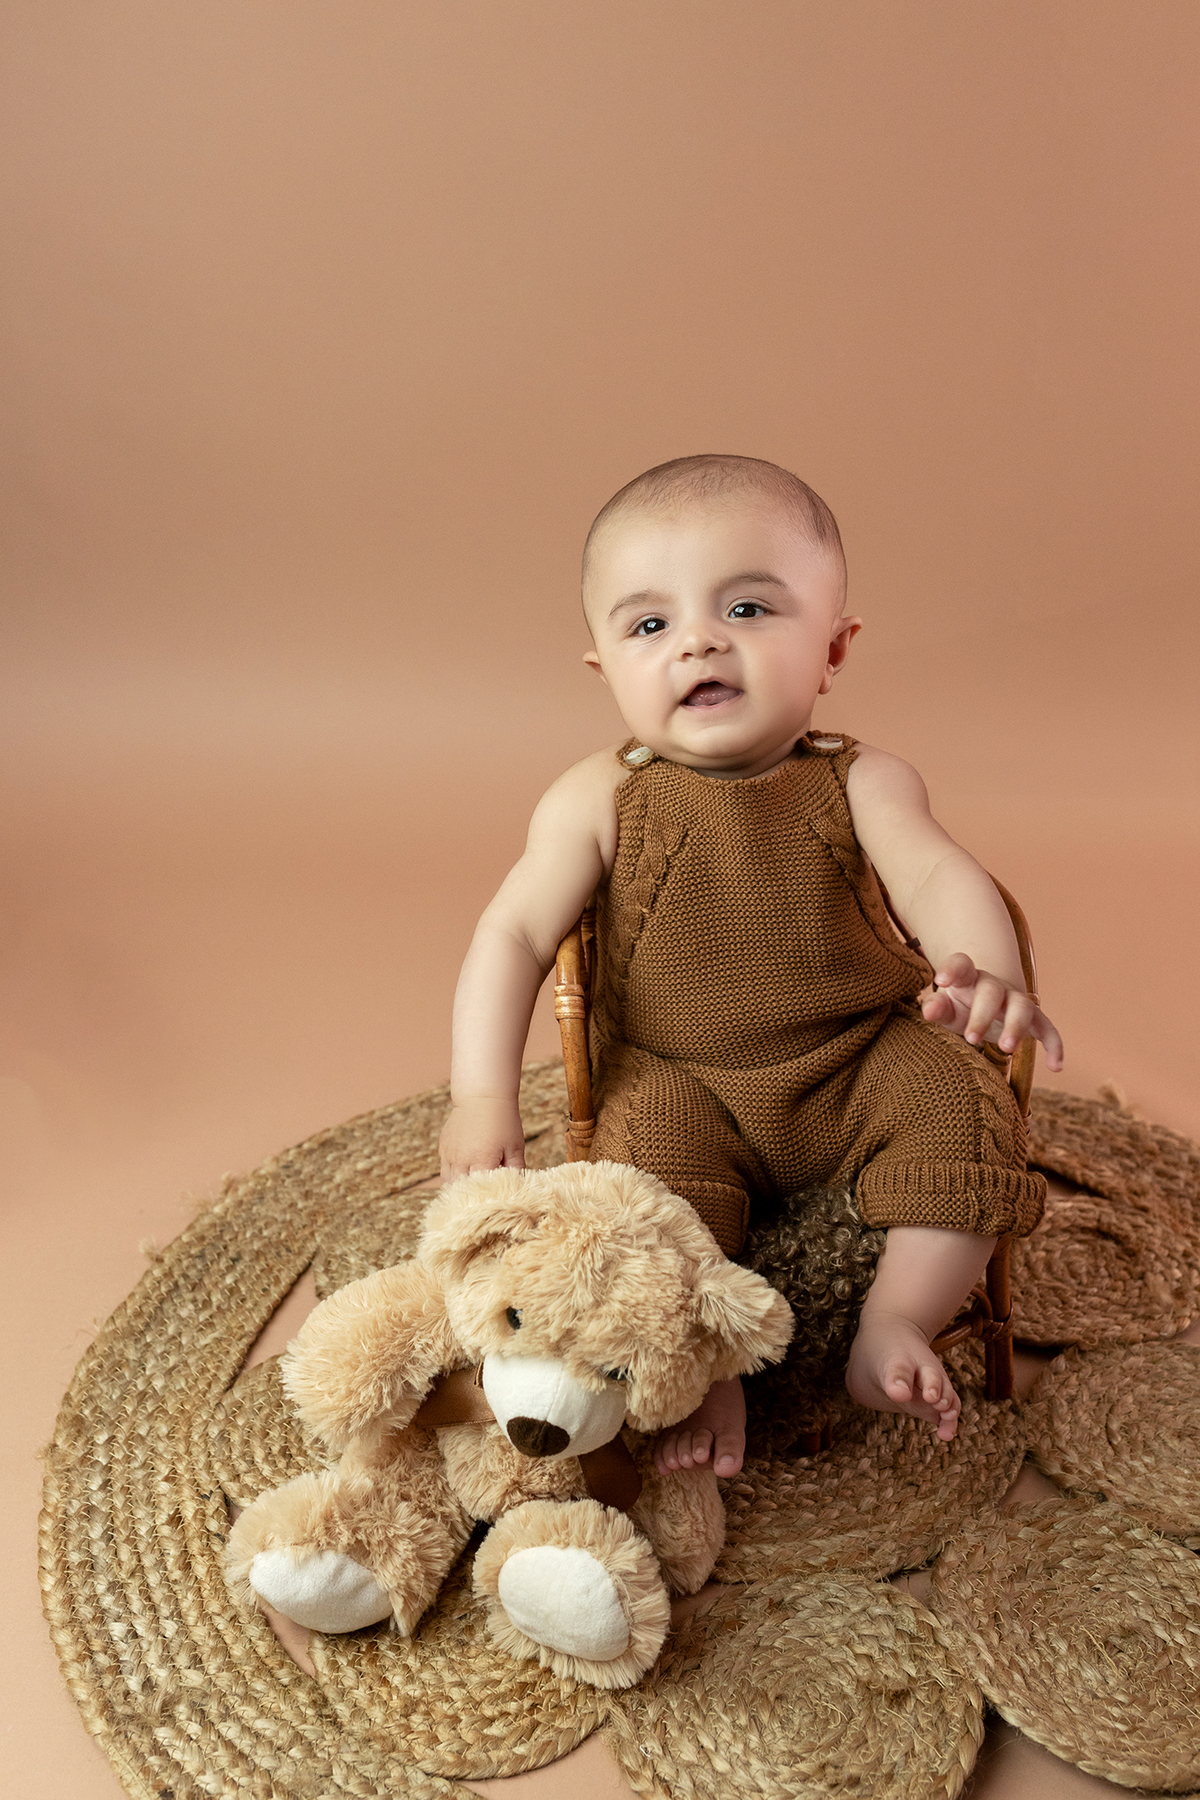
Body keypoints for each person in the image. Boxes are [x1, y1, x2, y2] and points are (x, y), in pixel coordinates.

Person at [439, 454, 1063, 1480]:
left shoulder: (862, 780)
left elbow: (944, 874)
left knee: (968, 1111)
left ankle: (894, 1325)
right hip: (682, 1080)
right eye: (650, 626)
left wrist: (982, 971)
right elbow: (510, 936)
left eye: (749, 607)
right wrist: (479, 1095)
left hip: (860, 1059)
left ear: (834, 648)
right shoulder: (595, 798)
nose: (699, 640)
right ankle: (707, 1360)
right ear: (605, 668)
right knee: (636, 1194)